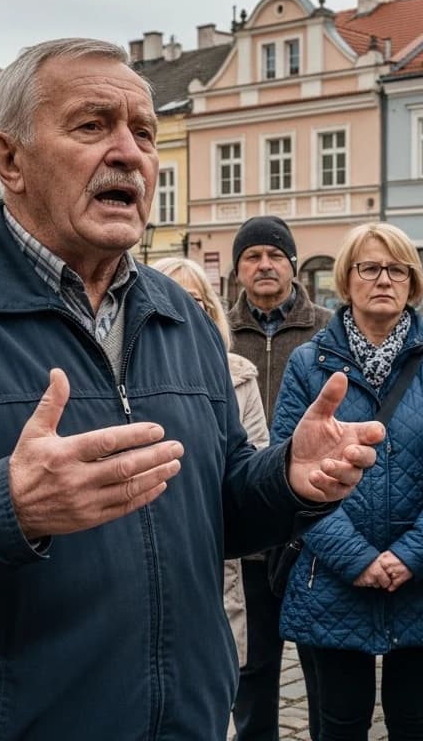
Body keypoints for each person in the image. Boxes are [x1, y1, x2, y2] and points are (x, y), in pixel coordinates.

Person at [0, 38, 385, 740]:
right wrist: (8, 507)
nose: (129, 153)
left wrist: (288, 482)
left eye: (143, 133)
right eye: (92, 126)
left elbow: (215, 508)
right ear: (9, 160)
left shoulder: (178, 315)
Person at [273, 222, 423, 741]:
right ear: (347, 280)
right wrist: (356, 558)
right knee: (339, 723)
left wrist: (412, 554)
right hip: (331, 575)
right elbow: (288, 475)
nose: (383, 278)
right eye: (369, 267)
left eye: (397, 269)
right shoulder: (307, 364)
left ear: (413, 282)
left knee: (413, 722)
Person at [225, 214, 332, 741]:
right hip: (249, 534)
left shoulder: (328, 329)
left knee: (321, 669)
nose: (264, 265)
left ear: (293, 266)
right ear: (238, 270)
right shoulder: (218, 332)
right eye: (252, 257)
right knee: (254, 669)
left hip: (311, 531)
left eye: (274, 256)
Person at [153, 255, 271, 666]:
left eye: (198, 301)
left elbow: (251, 460)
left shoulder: (238, 375)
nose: (189, 310)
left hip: (214, 554)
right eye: (175, 298)